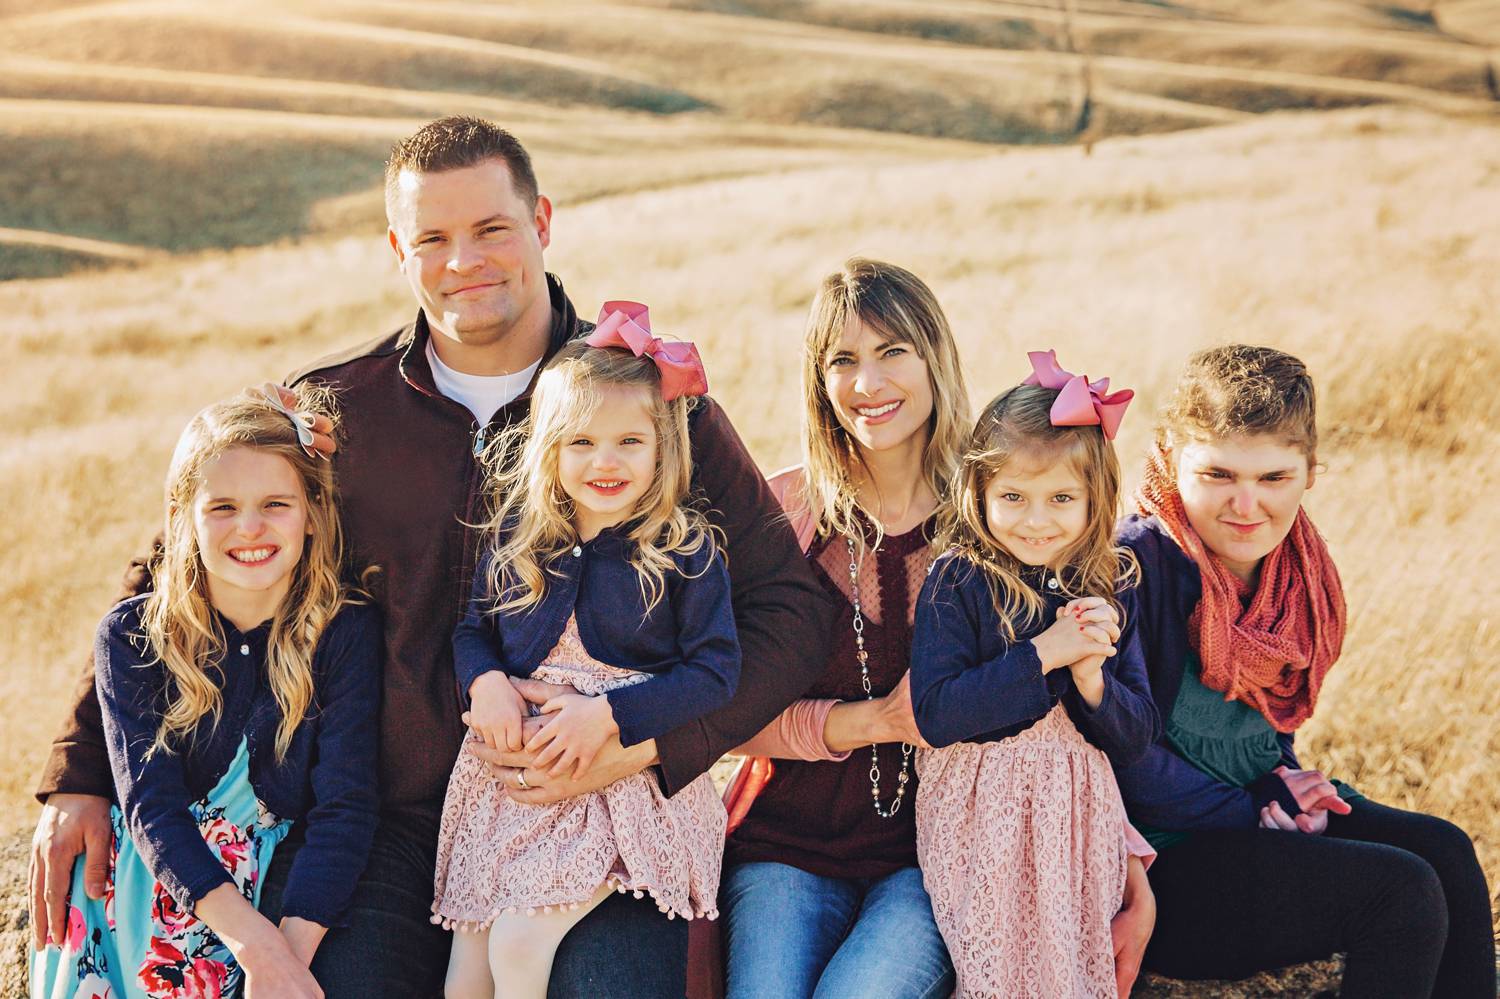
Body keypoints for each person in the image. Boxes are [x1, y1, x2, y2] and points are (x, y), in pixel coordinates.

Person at [30, 116, 831, 999]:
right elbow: (176, 569)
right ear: (396, 251)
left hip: (589, 805)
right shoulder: (340, 411)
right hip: (379, 819)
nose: (465, 261)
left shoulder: (644, 407)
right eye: (433, 239)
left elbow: (789, 611)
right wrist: (80, 774)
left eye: (491, 229)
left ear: (543, 222)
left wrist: (647, 742)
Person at [717, 263, 1155, 999]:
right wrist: (870, 722)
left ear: (935, 359)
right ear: (817, 380)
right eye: (843, 360)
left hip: (937, 855)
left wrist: (1128, 863)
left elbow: (1064, 723)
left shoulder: (1005, 513)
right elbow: (722, 713)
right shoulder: (781, 512)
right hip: (787, 844)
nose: (868, 382)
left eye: (893, 352)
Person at [1115, 344, 1496, 998]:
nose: (1245, 504)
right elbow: (1125, 755)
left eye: (1274, 478)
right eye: (1219, 474)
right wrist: (1255, 803)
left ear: (1310, 471)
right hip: (1155, 863)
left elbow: (1263, 726)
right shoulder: (1138, 565)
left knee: (1447, 851)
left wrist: (1285, 780)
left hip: (1246, 818)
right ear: (1171, 455)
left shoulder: (1295, 572)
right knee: (1400, 894)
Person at [30, 386, 380, 999]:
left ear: (312, 512)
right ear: (182, 516)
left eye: (276, 503)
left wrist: (285, 960)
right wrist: (254, 943)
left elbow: (345, 808)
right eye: (222, 507)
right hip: (162, 879)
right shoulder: (134, 635)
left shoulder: (343, 631)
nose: (250, 528)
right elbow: (150, 804)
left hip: (279, 886)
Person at [434, 324, 738, 998]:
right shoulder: (523, 538)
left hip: (618, 788)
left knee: (520, 942)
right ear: (550, 449)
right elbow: (472, 629)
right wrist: (485, 682)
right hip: (511, 791)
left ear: (663, 448)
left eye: (629, 441)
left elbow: (716, 671)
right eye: (582, 442)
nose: (607, 461)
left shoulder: (684, 550)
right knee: (466, 972)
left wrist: (610, 713)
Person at [908, 351, 1160, 998]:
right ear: (980, 492)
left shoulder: (1110, 585)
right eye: (1013, 497)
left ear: (1093, 498)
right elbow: (937, 712)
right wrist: (1044, 652)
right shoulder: (956, 580)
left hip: (1077, 819)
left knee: (1071, 971)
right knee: (996, 969)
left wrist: (1092, 679)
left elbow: (1136, 737)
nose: (1037, 519)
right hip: (981, 812)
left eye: (1061, 498)